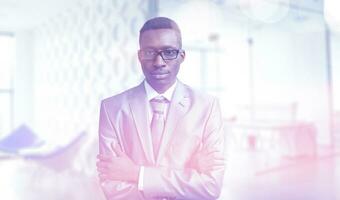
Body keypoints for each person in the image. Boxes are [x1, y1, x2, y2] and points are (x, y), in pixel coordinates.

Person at [96, 17, 225, 200]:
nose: (159, 62)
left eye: (169, 52)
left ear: (182, 56)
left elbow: (210, 188)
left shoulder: (207, 106)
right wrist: (187, 172)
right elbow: (113, 187)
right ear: (140, 56)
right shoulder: (111, 109)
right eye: (149, 52)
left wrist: (137, 174)